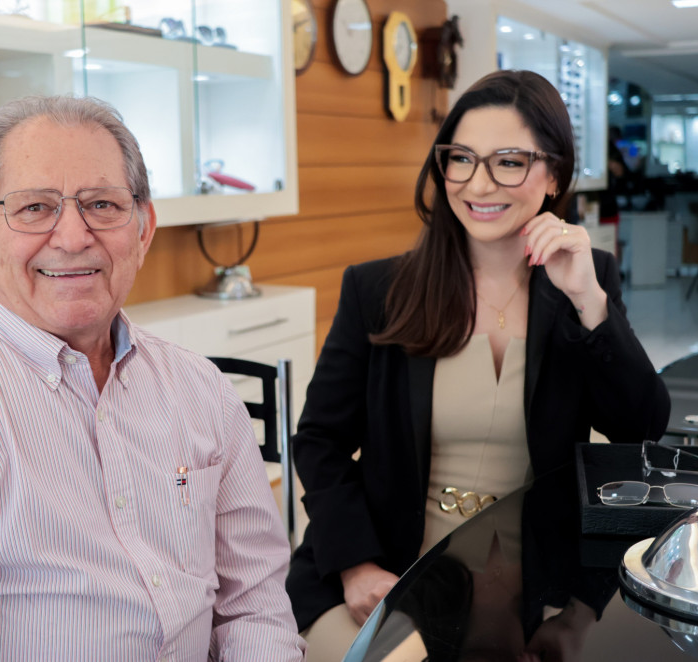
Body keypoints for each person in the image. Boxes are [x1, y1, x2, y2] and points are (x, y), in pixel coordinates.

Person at [0, 95, 305, 661]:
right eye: (34, 208)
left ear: (143, 229)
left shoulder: (201, 388)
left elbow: (254, 602)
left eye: (102, 204)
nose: (72, 236)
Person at [285, 70, 670, 661]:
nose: (478, 183)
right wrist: (355, 565)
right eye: (460, 158)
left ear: (554, 175)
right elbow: (319, 441)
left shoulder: (584, 281)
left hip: (526, 584)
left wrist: (589, 302)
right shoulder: (379, 289)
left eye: (508, 161)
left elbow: (638, 428)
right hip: (383, 574)